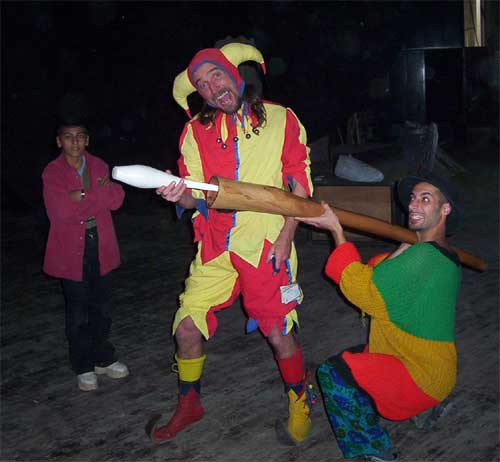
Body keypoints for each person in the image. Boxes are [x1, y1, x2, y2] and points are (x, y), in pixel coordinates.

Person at [150, 43, 315, 444]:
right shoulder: (194, 132)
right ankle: (190, 403)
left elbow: (299, 182)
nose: (212, 89)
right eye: (202, 85)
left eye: (216, 76)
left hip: (266, 243)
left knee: (277, 332)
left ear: (233, 72)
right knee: (186, 327)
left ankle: (300, 402)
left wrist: (286, 236)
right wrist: (178, 194)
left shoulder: (281, 118)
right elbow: (194, 196)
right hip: (216, 245)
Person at [296, 171, 463, 461]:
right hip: (425, 361)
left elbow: (365, 290)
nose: (413, 205)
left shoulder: (424, 258)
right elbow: (380, 272)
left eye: (426, 199)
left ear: (445, 209)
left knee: (334, 374)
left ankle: (375, 450)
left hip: (419, 374)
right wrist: (405, 246)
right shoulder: (439, 255)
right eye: (413, 198)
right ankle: (423, 411)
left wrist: (336, 231)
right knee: (354, 358)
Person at [42, 122, 129, 391]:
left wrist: (78, 196)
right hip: (70, 249)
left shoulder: (99, 165)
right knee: (78, 310)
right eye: (68, 137)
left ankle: (103, 357)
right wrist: (96, 194)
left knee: (102, 307)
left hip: (100, 243)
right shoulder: (52, 172)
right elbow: (59, 213)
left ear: (87, 140)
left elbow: (117, 199)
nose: (75, 142)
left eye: (80, 137)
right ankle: (83, 365)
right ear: (59, 141)